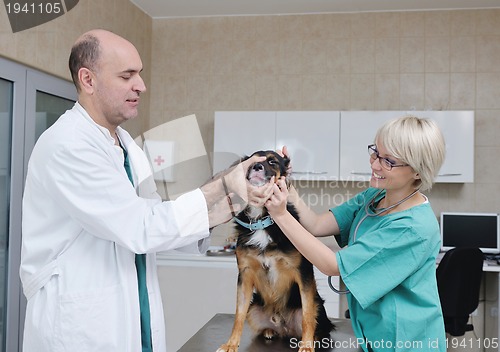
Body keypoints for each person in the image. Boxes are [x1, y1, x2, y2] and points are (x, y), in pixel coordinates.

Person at [20, 29, 265, 352]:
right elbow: (141, 226)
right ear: (88, 80)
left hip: (131, 312)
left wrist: (227, 204)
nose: (141, 86)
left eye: (140, 74)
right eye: (127, 76)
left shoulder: (126, 146)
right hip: (80, 324)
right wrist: (220, 185)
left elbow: (157, 223)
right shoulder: (67, 145)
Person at [265, 116, 447, 352]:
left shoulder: (412, 228)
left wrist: (280, 216)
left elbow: (332, 265)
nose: (374, 164)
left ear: (418, 172)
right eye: (375, 152)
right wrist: (286, 184)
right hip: (372, 335)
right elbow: (317, 225)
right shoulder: (375, 196)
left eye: (388, 161)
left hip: (406, 343)